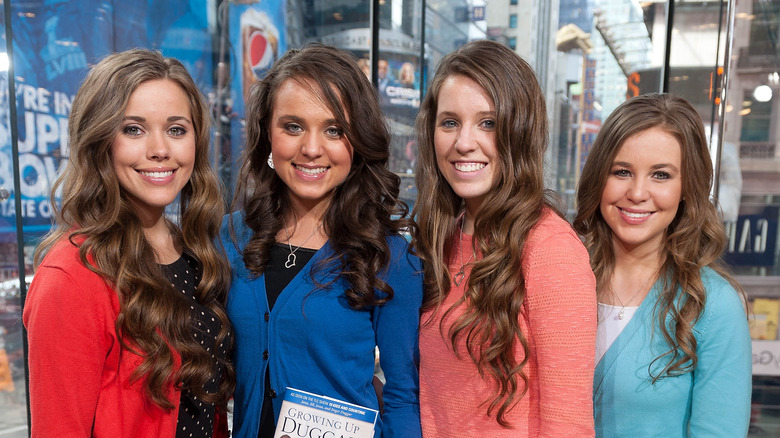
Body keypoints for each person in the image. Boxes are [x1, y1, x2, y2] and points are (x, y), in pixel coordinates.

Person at [23, 49, 234, 437]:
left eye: (176, 129)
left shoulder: (195, 252)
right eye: (133, 129)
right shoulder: (72, 276)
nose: (160, 150)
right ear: (100, 140)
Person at [223, 43, 423, 438]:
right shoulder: (228, 237)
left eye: (334, 130)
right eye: (293, 126)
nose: (312, 149)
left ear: (358, 141)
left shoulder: (390, 257)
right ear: (268, 134)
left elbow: (402, 395)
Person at [412, 39, 597, 437]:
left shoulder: (550, 249)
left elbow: (569, 423)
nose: (464, 142)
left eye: (488, 123)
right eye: (449, 122)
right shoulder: (440, 236)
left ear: (520, 131)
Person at [573, 93, 751, 436]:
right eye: (622, 171)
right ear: (599, 178)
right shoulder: (560, 279)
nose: (638, 193)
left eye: (661, 175)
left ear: (687, 187)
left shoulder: (713, 304)